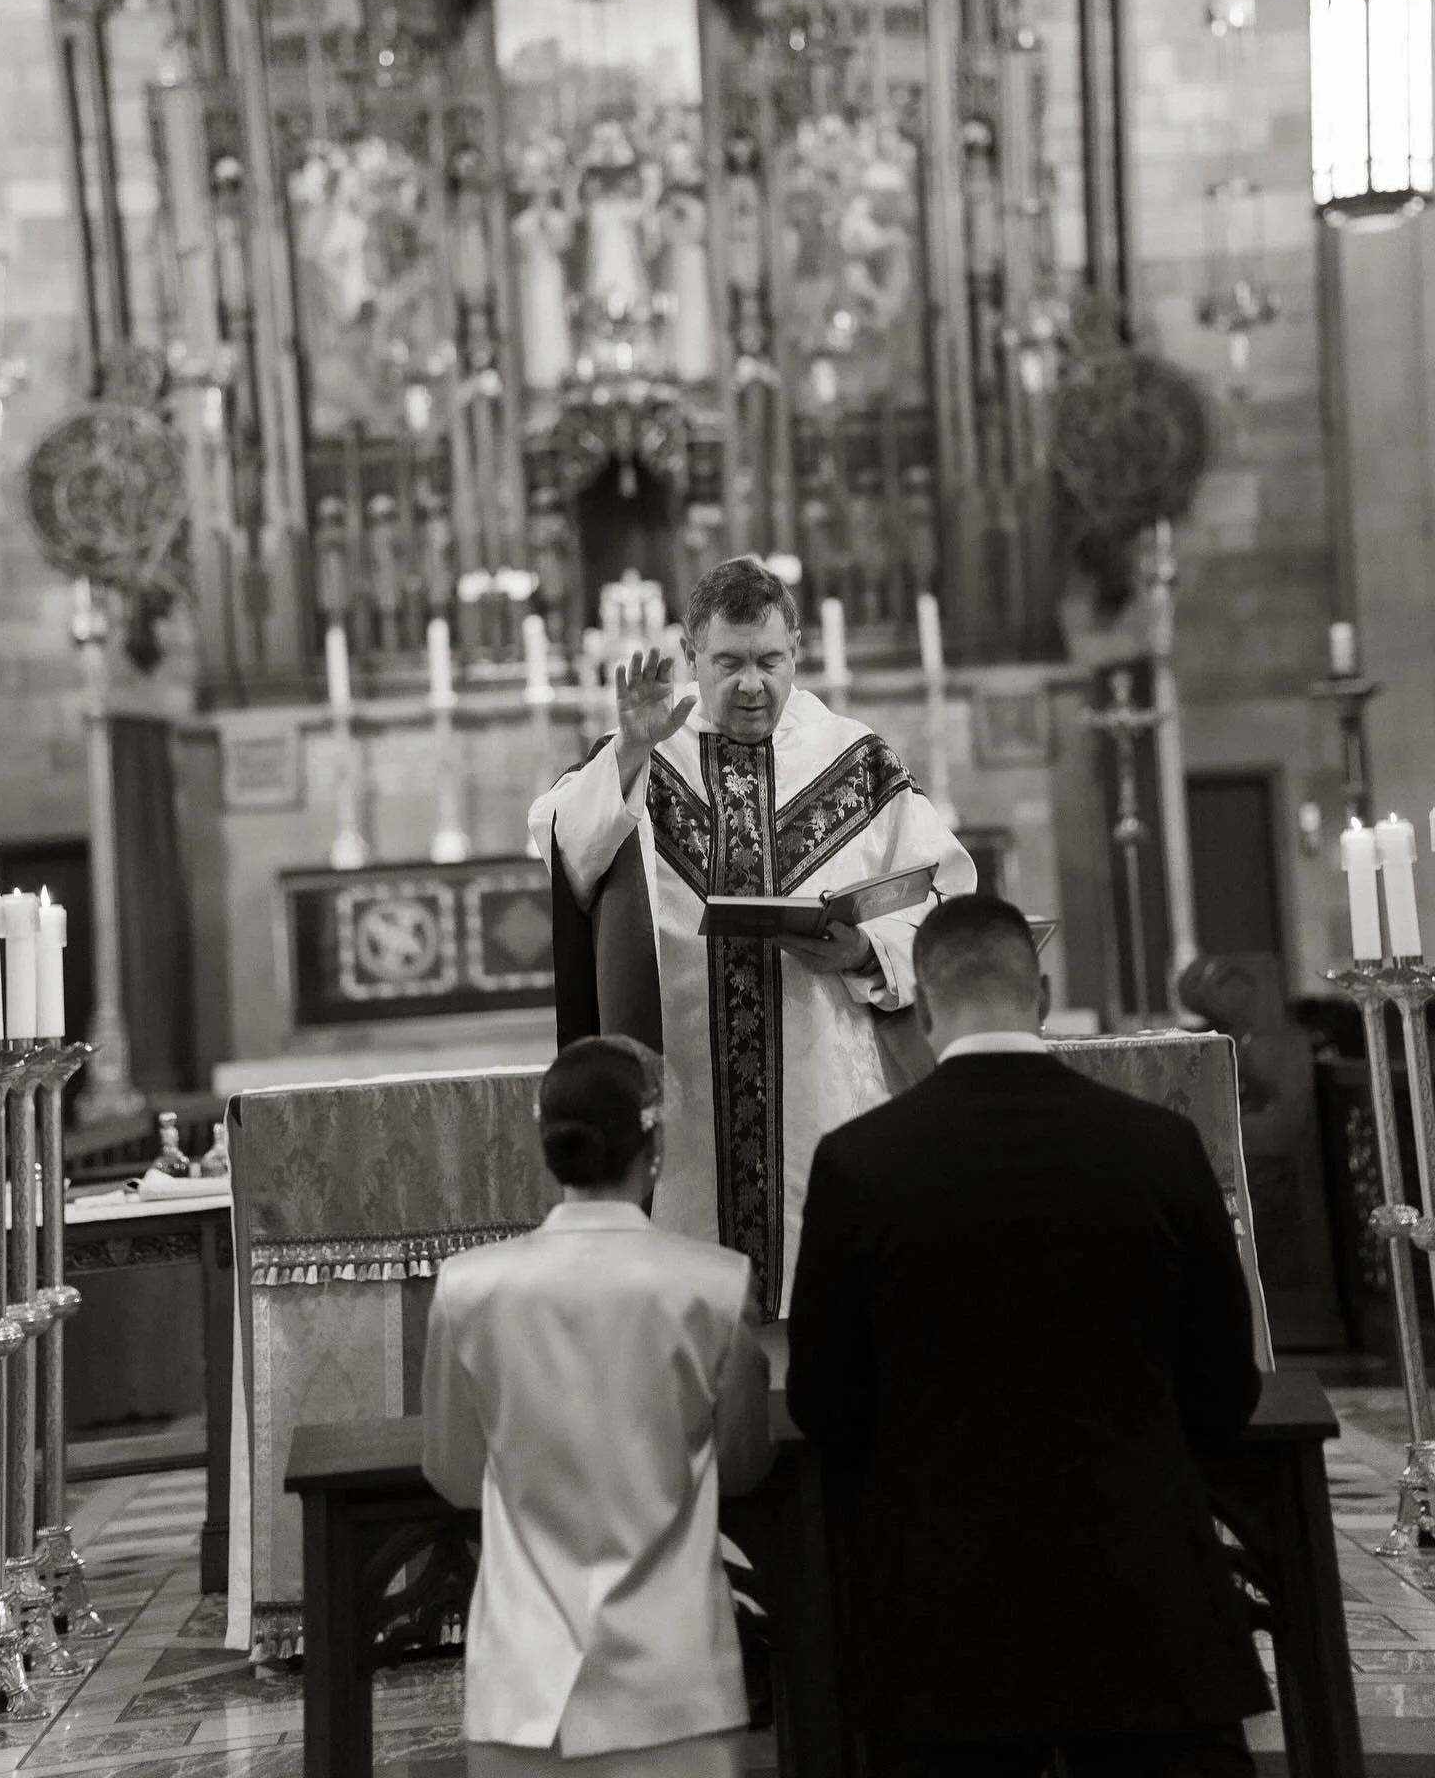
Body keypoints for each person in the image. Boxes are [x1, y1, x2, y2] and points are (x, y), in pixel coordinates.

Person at [785, 894, 1272, 1778]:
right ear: (1041, 997)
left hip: (945, 1626)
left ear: (925, 1008)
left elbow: (826, 1400)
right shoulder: (1158, 1146)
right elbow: (1223, 1388)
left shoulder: (860, 1165)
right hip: (1147, 1610)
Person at [528, 557, 976, 1319]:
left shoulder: (856, 759)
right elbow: (569, 856)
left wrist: (868, 951)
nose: (751, 685)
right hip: (687, 1103)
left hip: (827, 1094)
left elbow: (945, 896)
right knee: (697, 1329)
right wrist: (629, 754)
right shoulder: (647, 752)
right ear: (689, 653)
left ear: (797, 648)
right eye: (728, 662)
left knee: (832, 1314)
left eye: (769, 661)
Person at [421, 1035, 773, 1777]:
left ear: (548, 1146)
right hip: (674, 1682)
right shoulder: (714, 1285)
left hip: (523, 1683)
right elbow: (741, 1467)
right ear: (655, 1147)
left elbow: (454, 1475)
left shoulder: (468, 1289)